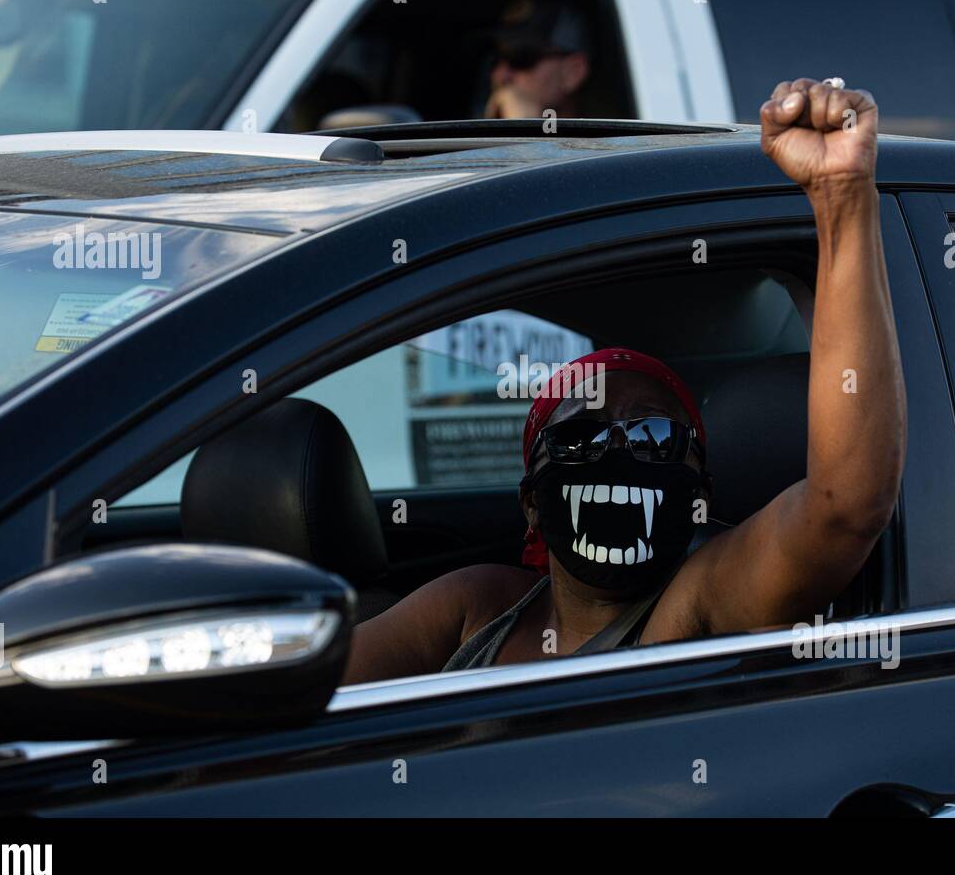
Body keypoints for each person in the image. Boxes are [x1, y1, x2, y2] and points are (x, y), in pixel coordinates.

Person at [344, 78, 906, 683]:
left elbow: (843, 507)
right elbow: (297, 698)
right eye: (579, 438)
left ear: (701, 498)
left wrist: (843, 197)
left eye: (656, 436)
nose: (617, 448)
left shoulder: (695, 605)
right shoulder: (479, 607)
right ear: (531, 502)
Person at [483, 0, 591, 120]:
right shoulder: (468, 133)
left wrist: (524, 126)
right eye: (494, 60)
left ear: (573, 72)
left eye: (521, 58)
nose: (499, 75)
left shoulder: (605, 137)